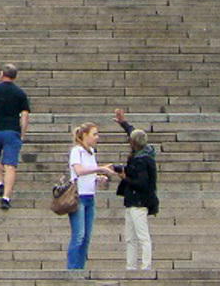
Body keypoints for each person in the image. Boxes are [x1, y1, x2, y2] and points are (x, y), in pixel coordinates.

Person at [66, 122, 120, 270]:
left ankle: (80, 268)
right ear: (84, 135)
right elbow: (78, 170)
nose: (97, 137)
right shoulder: (76, 151)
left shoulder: (90, 151)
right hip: (79, 197)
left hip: (90, 196)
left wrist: (98, 178)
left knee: (86, 237)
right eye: (94, 134)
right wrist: (100, 169)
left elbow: (88, 173)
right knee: (78, 236)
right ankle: (72, 269)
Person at [112, 108, 159, 271]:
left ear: (134, 144)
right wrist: (124, 123)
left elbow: (143, 184)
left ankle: (146, 266)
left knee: (142, 236)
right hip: (132, 201)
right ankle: (130, 266)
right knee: (130, 238)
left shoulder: (142, 161)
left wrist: (126, 178)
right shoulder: (147, 151)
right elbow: (133, 133)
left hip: (139, 201)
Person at [0, 64, 30, 210]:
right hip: (12, 131)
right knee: (10, 165)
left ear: (2, 74)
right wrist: (22, 132)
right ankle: (6, 197)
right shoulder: (20, 93)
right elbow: (25, 115)